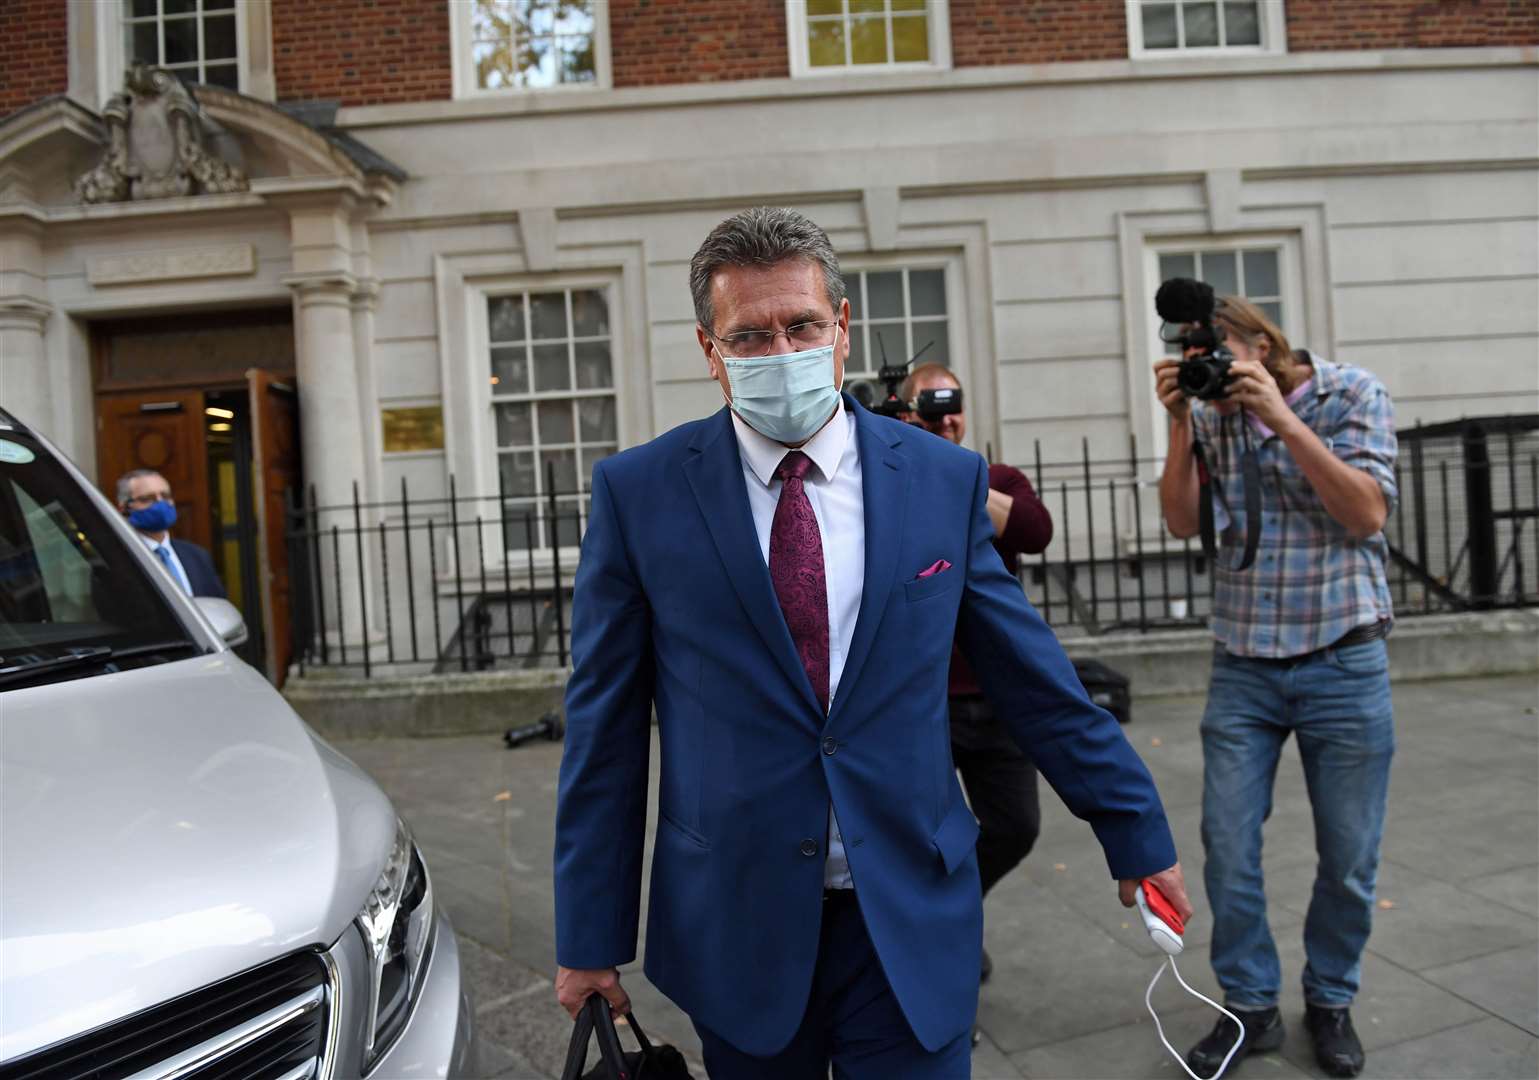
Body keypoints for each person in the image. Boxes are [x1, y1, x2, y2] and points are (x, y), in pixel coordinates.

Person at [554, 206, 1191, 1079]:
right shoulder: (640, 493)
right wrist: (589, 937)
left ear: (842, 328)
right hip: (735, 919)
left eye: (802, 325)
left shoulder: (941, 478)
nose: (781, 353)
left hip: (907, 909)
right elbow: (605, 730)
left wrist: (1135, 830)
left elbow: (1030, 676)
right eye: (749, 336)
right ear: (710, 351)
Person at [1154, 295, 1397, 1080]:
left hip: (1341, 656)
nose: (1216, 368)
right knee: (1226, 848)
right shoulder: (1213, 409)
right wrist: (1181, 422)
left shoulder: (1350, 392)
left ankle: (1329, 999)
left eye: (1223, 352)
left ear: (1262, 343)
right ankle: (1248, 1006)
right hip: (1244, 661)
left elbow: (1365, 514)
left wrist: (1283, 422)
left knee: (1349, 856)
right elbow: (1184, 524)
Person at [900, 362, 1054, 986]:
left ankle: (955, 912)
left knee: (1016, 827)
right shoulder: (892, 483)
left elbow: (1035, 530)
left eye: (952, 410)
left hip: (995, 701)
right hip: (924, 703)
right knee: (926, 840)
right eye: (928, 413)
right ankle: (940, 959)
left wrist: (947, 469)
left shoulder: (994, 479)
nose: (945, 422)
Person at [116, 468, 225, 598]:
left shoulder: (198, 556)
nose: (160, 503)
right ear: (124, 509)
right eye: (147, 498)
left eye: (166, 496)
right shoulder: (119, 559)